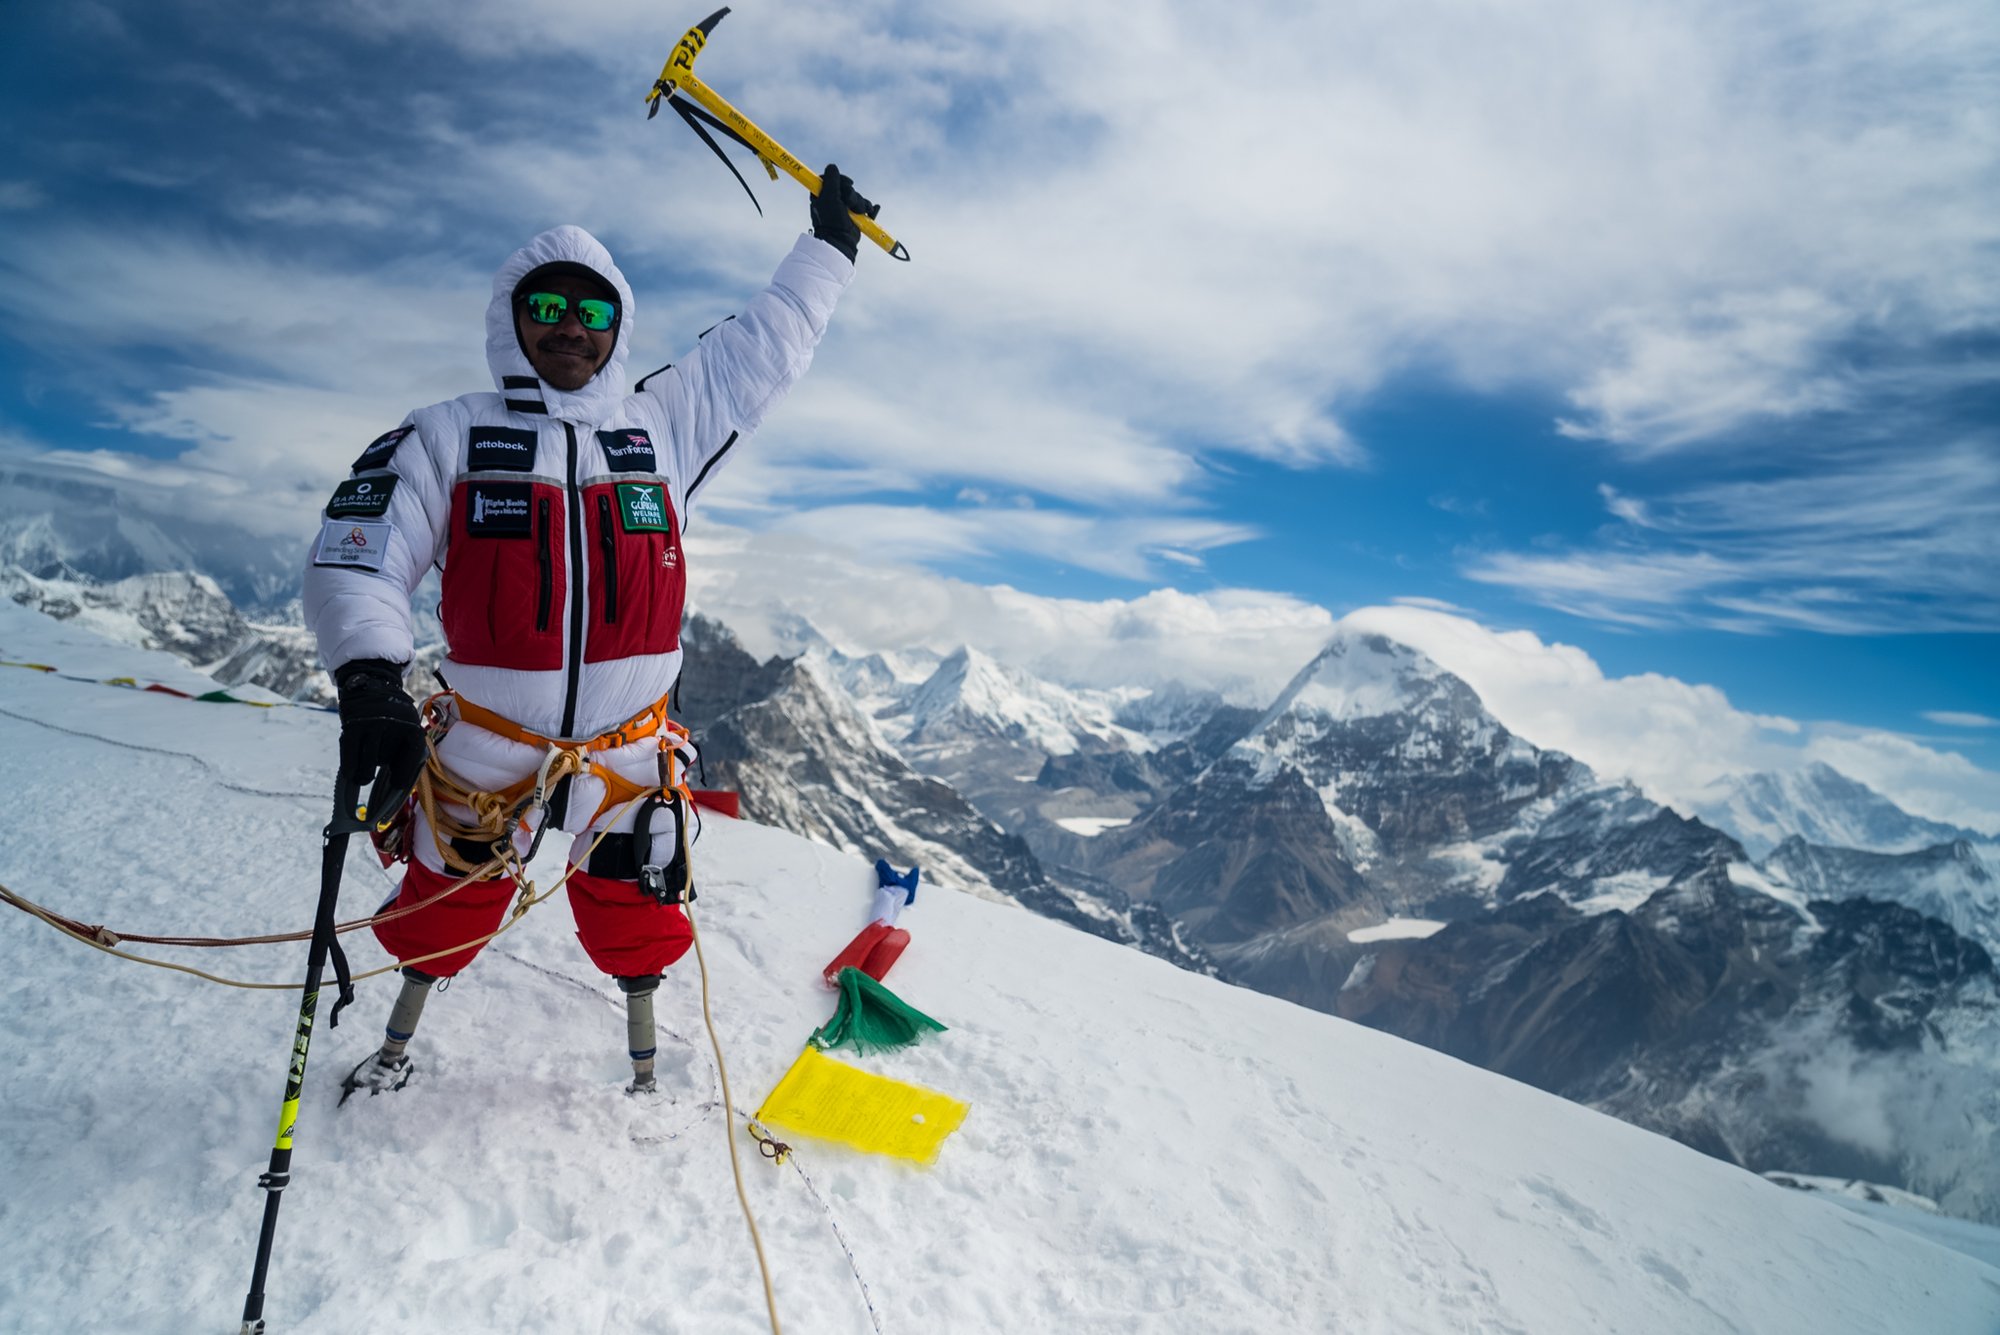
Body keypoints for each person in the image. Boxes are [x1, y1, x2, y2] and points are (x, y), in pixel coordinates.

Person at [305, 169, 876, 1097]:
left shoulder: (661, 427)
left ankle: (643, 1080)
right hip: (488, 751)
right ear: (511, 318)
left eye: (591, 309)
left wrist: (829, 250)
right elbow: (358, 554)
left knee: (637, 914)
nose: (570, 325)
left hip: (632, 755)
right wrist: (369, 674)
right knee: (442, 910)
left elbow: (758, 351)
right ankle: (397, 1044)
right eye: (547, 305)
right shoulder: (444, 435)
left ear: (617, 327)